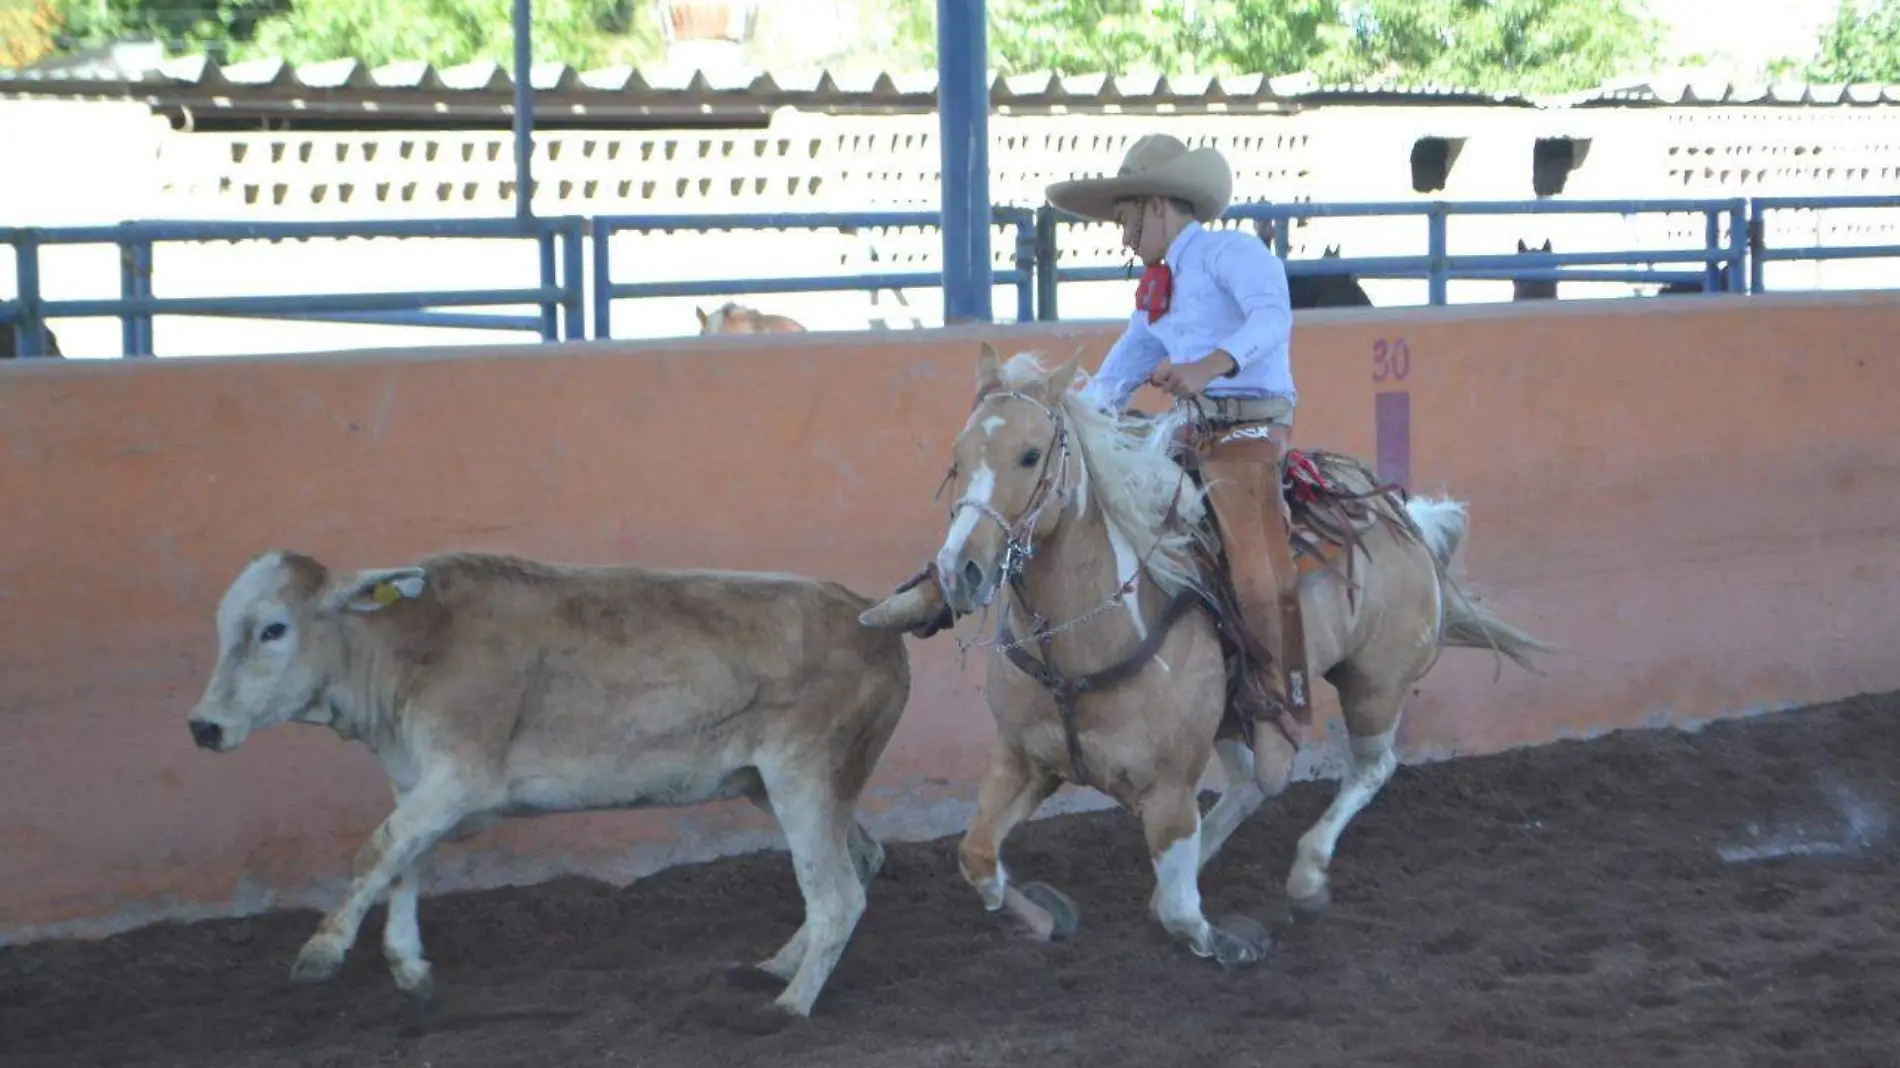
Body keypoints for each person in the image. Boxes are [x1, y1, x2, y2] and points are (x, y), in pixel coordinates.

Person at [876, 133, 1307, 786]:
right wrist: (1057, 418)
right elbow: (1113, 381)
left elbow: (1273, 318)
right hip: (1182, 434)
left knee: (1253, 565)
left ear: (1156, 206)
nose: (1123, 234)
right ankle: (954, 584)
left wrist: (1206, 367)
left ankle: (1275, 706)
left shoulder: (1233, 253)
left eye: (1126, 218)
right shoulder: (1155, 293)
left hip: (1248, 434)